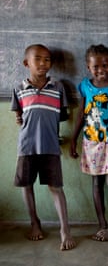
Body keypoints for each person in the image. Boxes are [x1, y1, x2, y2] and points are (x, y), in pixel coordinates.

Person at [11, 44, 76, 251]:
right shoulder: (20, 89)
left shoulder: (57, 87)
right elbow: (19, 116)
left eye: (47, 59)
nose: (43, 63)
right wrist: (23, 120)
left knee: (56, 187)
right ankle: (34, 223)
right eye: (37, 59)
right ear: (26, 63)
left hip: (50, 146)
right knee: (27, 185)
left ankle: (65, 229)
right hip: (27, 146)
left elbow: (62, 115)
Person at [70, 44, 108, 241]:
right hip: (91, 141)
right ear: (88, 67)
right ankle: (102, 223)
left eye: (105, 65)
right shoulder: (85, 86)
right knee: (96, 182)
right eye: (96, 67)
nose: (101, 70)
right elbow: (81, 114)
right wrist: (73, 139)